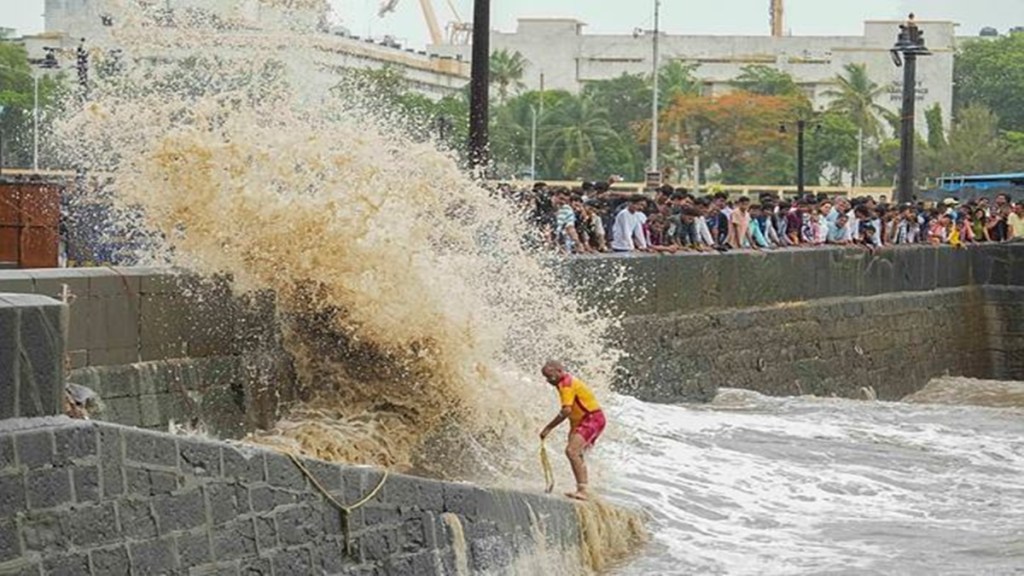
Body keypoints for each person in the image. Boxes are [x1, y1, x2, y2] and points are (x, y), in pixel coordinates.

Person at [539, 360, 606, 501]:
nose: (549, 381)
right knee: (576, 453)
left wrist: (548, 428)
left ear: (559, 371)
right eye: (546, 378)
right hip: (584, 420)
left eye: (551, 376)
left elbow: (566, 410)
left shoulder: (566, 385)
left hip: (592, 418)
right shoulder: (564, 381)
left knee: (572, 451)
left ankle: (583, 490)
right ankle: (583, 489)